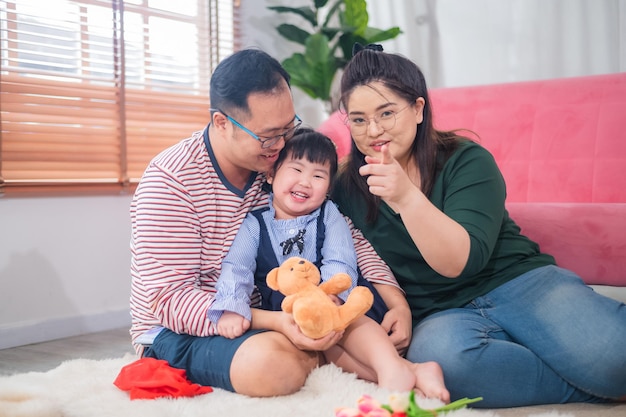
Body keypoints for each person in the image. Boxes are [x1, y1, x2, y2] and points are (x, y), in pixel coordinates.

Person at [330, 43, 626, 408]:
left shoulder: (465, 160)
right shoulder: (344, 185)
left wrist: (406, 197)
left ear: (418, 109)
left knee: (615, 358)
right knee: (448, 367)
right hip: (442, 313)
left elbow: (460, 262)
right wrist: (400, 306)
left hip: (519, 283)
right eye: (358, 119)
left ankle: (599, 370)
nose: (373, 130)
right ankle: (591, 382)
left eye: (386, 113)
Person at [129, 48, 412, 398]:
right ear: (221, 123)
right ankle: (351, 359)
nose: (280, 144)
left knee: (355, 317)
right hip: (181, 330)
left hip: (272, 312)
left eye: (287, 127)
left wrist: (396, 301)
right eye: (267, 136)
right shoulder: (171, 181)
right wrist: (276, 322)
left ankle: (385, 366)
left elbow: (345, 235)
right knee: (271, 365)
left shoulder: (278, 165)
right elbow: (170, 301)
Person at [207, 129, 449, 400]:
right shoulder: (255, 224)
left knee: (345, 324)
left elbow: (340, 256)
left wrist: (333, 294)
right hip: (295, 315)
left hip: (340, 300)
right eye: (296, 170)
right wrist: (232, 306)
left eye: (318, 175)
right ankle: (414, 371)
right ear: (271, 175)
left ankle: (389, 366)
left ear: (328, 187)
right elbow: (236, 268)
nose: (305, 182)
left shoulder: (328, 214)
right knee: (331, 351)